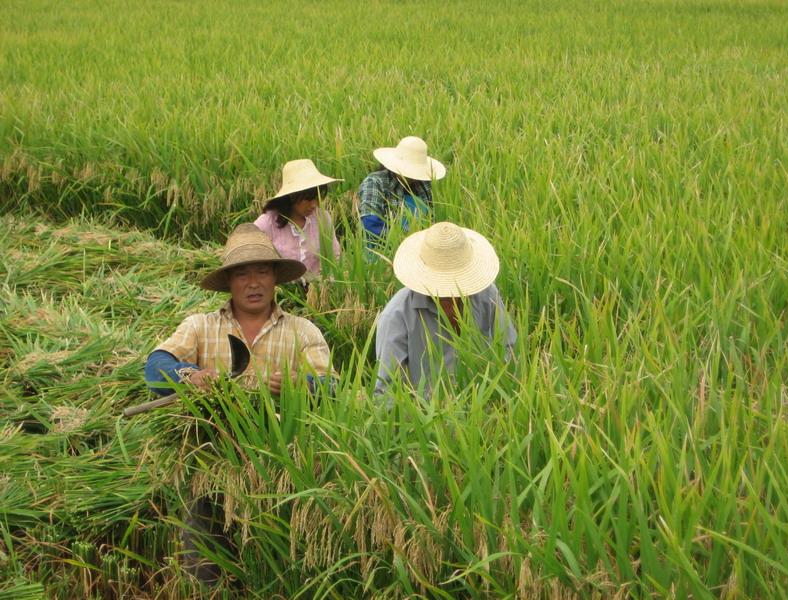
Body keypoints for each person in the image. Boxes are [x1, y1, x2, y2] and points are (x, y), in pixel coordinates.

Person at [144, 223, 335, 584]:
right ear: (229, 281)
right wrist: (191, 375)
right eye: (242, 274)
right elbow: (155, 368)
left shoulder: (302, 331)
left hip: (282, 467)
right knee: (206, 561)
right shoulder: (200, 326)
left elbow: (333, 388)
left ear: (275, 277)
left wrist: (303, 385)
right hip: (211, 462)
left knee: (278, 565)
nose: (253, 282)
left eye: (262, 271)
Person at [375, 221, 516, 397]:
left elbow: (509, 351)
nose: (453, 295)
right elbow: (386, 393)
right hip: (425, 415)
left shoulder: (486, 295)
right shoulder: (396, 316)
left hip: (483, 407)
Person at [254, 159, 342, 280]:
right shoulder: (266, 223)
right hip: (280, 292)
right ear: (291, 196)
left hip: (317, 292)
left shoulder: (322, 219)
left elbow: (334, 256)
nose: (314, 205)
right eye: (308, 199)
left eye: (317, 198)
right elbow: (252, 261)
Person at [358, 136, 446, 249]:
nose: (412, 175)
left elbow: (431, 218)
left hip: (420, 249)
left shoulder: (424, 184)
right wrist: (403, 241)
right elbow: (370, 223)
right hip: (382, 250)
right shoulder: (376, 182)